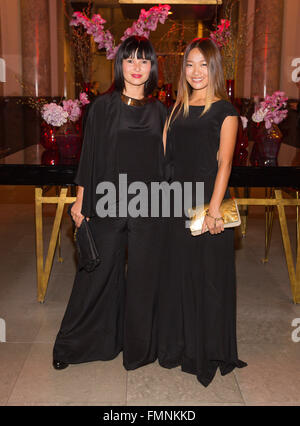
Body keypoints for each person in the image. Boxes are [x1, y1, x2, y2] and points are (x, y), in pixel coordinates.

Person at [53, 36, 167, 370]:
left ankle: (139, 348)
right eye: (129, 60)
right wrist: (80, 202)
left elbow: (166, 162)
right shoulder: (102, 107)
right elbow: (89, 157)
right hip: (107, 203)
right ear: (119, 65)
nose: (136, 67)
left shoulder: (161, 110)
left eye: (143, 61)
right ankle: (73, 347)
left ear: (152, 67)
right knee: (96, 274)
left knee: (145, 278)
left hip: (150, 207)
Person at [158, 38, 247, 387]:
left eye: (203, 65)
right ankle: (180, 345)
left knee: (208, 279)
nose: (196, 72)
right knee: (180, 276)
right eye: (190, 64)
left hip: (208, 203)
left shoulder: (225, 111)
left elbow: (224, 163)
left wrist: (212, 211)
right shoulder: (177, 106)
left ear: (215, 68)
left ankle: (207, 350)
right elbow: (164, 154)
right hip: (175, 203)